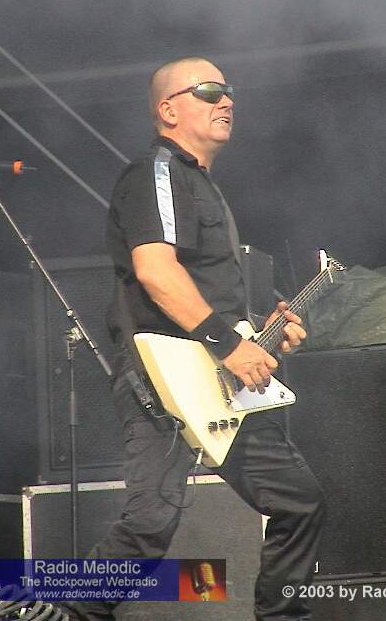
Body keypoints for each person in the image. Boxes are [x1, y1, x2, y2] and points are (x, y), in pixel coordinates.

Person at [63, 57, 326, 621]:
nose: (225, 100)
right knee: (150, 522)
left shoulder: (204, 186)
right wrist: (229, 344)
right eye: (208, 90)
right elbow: (156, 272)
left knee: (299, 502)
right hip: (161, 375)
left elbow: (209, 300)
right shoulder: (156, 171)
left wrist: (263, 333)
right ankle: (72, 612)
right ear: (168, 110)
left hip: (214, 378)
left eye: (228, 90)